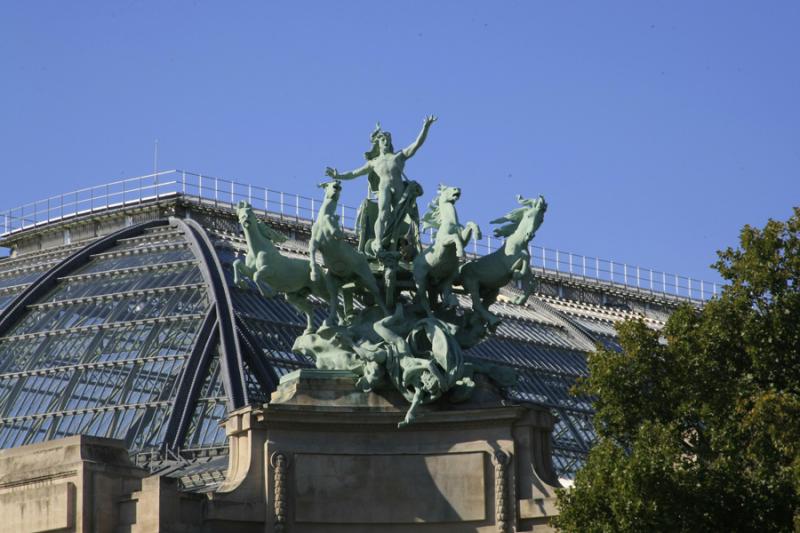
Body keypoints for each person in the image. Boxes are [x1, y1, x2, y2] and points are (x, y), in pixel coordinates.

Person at [326, 115, 437, 254]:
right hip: (384, 187)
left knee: (399, 217)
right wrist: (338, 175)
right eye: (383, 139)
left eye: (387, 140)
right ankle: (378, 241)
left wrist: (425, 127)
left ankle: (394, 243)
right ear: (378, 143)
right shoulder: (374, 162)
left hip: (399, 189)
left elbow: (416, 144)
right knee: (383, 213)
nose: (385, 141)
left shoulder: (398, 156)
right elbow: (354, 173)